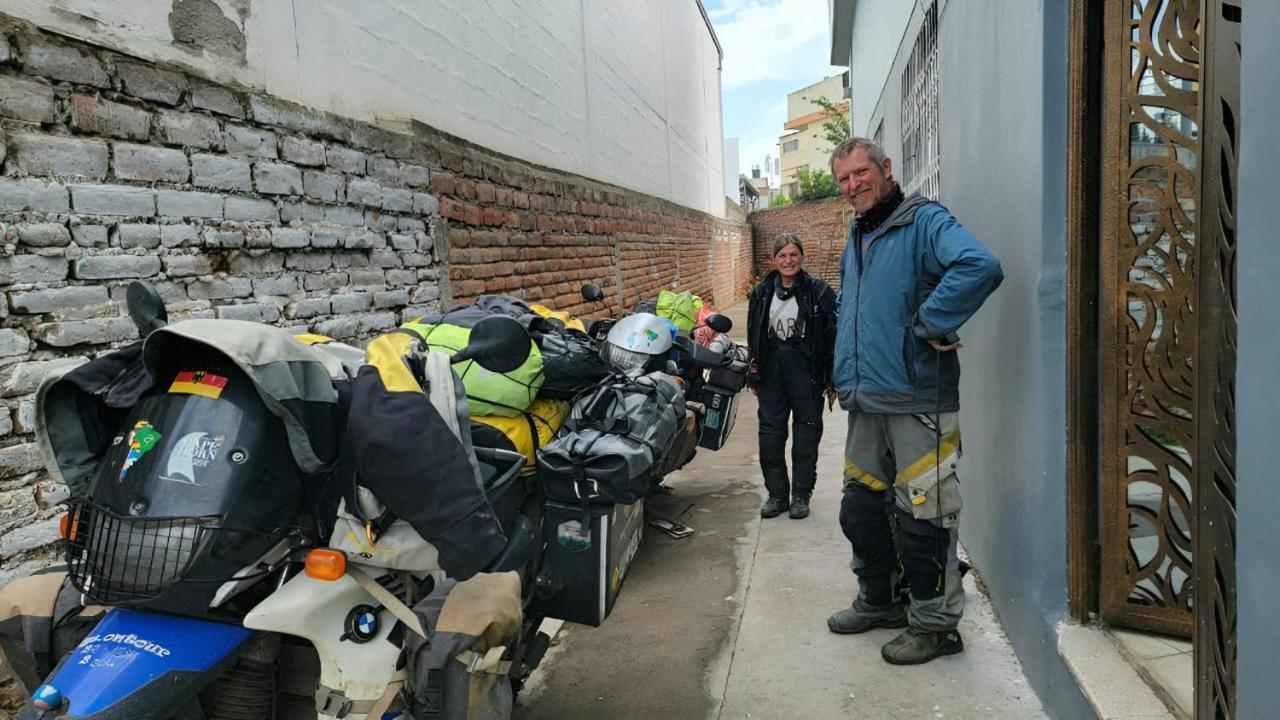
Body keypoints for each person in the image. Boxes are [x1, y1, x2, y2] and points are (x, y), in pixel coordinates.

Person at [824, 138, 1003, 665]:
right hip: (866, 401)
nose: (853, 185)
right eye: (843, 179)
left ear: (886, 169)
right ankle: (879, 601)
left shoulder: (923, 222)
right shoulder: (858, 235)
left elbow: (980, 266)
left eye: (861, 173)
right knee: (861, 511)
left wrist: (930, 322)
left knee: (925, 517)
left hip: (917, 399)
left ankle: (935, 624)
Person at [746, 235, 837, 520]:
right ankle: (776, 495)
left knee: (806, 433)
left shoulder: (820, 292)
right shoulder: (761, 293)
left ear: (802, 257)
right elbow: (753, 333)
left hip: (806, 372)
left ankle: (800, 495)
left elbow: (832, 336)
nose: (789, 261)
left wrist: (832, 377)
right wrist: (754, 371)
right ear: (774, 260)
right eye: (782, 255)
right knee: (770, 435)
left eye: (794, 254)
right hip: (772, 370)